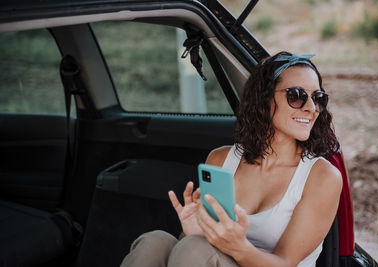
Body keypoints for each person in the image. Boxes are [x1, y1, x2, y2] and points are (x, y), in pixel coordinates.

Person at [120, 51, 343, 267]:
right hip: (218, 258)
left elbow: (285, 263)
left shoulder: (322, 177)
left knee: (196, 249)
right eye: (296, 96)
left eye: (318, 97)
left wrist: (237, 246)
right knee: (154, 243)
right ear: (264, 99)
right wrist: (196, 231)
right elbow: (197, 250)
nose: (311, 108)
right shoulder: (221, 159)